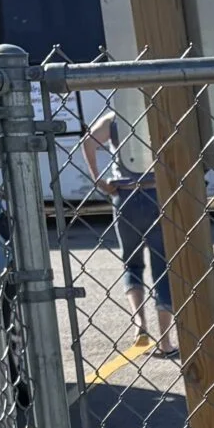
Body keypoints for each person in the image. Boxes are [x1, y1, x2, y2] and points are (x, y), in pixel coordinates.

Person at [79, 108, 176, 357]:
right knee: (162, 265)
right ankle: (165, 341)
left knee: (131, 264)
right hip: (158, 194)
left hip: (125, 196)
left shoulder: (114, 118)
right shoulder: (160, 110)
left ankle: (140, 327)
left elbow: (87, 142)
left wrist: (99, 180)